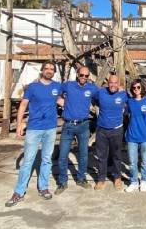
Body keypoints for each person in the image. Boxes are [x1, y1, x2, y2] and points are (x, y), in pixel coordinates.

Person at [5, 61, 62, 207]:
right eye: (47, 68)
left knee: (47, 159)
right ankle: (19, 191)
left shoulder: (57, 86)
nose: (49, 71)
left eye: (52, 69)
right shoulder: (33, 87)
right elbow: (23, 105)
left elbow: (60, 100)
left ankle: (43, 188)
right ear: (42, 71)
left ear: (54, 72)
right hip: (34, 128)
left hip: (50, 128)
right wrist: (19, 124)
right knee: (28, 161)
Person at [55, 66, 98, 195]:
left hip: (83, 125)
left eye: (86, 76)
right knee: (63, 155)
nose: (83, 78)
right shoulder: (68, 85)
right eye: (81, 75)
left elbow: (105, 94)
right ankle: (62, 182)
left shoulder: (92, 88)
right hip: (68, 125)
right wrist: (59, 100)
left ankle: (81, 179)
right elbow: (52, 90)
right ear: (77, 75)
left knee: (83, 155)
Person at [93, 73, 128, 191]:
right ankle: (101, 179)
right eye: (111, 82)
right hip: (102, 130)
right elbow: (93, 100)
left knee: (117, 155)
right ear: (108, 83)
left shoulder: (123, 94)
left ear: (119, 84)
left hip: (117, 130)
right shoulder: (101, 93)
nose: (113, 85)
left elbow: (132, 103)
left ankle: (117, 177)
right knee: (102, 156)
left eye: (115, 83)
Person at [124, 79, 146, 193]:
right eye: (134, 88)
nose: (136, 89)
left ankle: (144, 181)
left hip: (145, 136)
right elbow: (125, 114)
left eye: (138, 87)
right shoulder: (130, 102)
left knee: (145, 161)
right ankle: (134, 182)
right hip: (132, 136)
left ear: (142, 88)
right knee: (132, 161)